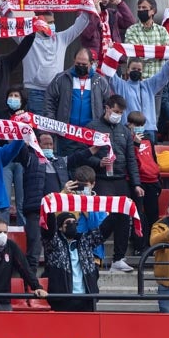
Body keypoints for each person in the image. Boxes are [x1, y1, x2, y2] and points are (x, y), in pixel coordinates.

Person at [70, 95, 141, 273]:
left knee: (125, 216)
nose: (118, 115)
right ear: (107, 108)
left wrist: (136, 184)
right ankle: (94, 251)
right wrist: (97, 162)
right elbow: (81, 154)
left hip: (120, 178)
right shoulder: (91, 128)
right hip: (100, 179)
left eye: (121, 113)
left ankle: (119, 257)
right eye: (116, 111)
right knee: (101, 217)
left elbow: (131, 159)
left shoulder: (125, 131)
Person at [41, 212, 103, 312]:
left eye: (74, 222)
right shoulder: (54, 243)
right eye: (68, 222)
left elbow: (104, 231)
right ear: (60, 227)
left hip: (87, 298)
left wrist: (120, 210)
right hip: (63, 299)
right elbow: (48, 229)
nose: (72, 224)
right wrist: (50, 210)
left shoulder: (85, 241)